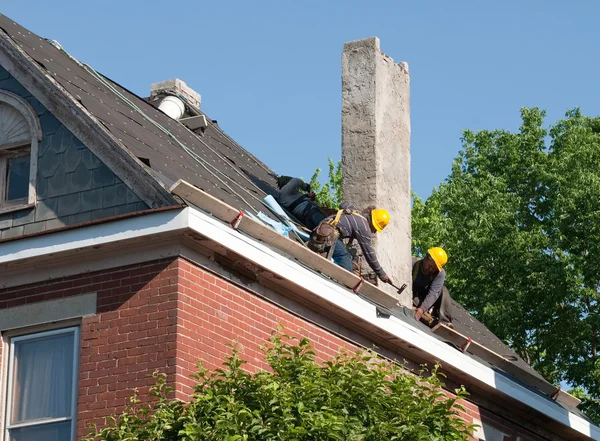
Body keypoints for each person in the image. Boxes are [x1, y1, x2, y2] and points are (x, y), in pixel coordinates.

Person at [308, 202, 391, 283]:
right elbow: (369, 254)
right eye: (376, 229)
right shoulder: (364, 228)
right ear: (373, 224)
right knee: (345, 261)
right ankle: (343, 285)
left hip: (319, 230)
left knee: (344, 251)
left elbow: (343, 204)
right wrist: (382, 274)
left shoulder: (355, 211)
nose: (374, 232)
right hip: (328, 238)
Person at [412, 247, 452, 324]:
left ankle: (445, 322)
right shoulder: (412, 263)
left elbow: (434, 293)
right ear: (426, 258)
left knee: (443, 289)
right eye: (430, 266)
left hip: (426, 300)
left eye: (434, 268)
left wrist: (422, 309)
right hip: (413, 297)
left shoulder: (440, 273)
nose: (430, 270)